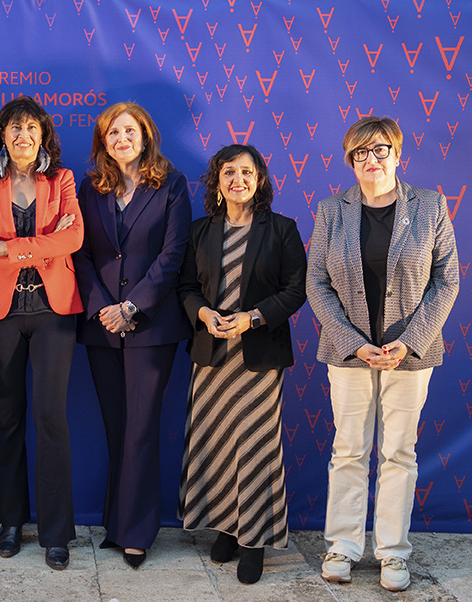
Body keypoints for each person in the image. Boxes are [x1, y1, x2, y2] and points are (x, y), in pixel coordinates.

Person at [307, 116, 458, 592]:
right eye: (360, 153)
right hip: (349, 353)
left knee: (399, 453)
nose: (370, 160)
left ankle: (393, 551)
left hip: (409, 354)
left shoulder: (430, 205)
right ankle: (343, 546)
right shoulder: (332, 210)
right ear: (350, 161)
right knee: (349, 449)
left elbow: (447, 279)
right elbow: (317, 283)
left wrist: (410, 341)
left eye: (379, 150)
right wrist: (354, 342)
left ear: (397, 154)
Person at [177, 144, 307, 584]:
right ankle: (226, 529)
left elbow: (296, 290)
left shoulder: (282, 229)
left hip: (258, 359)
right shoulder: (200, 230)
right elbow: (186, 287)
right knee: (215, 444)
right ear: (217, 181)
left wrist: (252, 318)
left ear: (260, 179)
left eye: (247, 172)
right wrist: (203, 313)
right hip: (212, 355)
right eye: (229, 172)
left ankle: (254, 540)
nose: (239, 180)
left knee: (255, 448)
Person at [73, 102, 191, 569]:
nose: (121, 139)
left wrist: (131, 307)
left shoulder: (172, 184)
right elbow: (81, 253)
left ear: (145, 136)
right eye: (112, 133)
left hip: (150, 326)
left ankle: (138, 532)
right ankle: (117, 523)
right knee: (116, 426)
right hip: (102, 325)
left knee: (141, 429)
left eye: (129, 131)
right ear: (103, 142)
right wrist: (104, 308)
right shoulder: (90, 188)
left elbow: (173, 253)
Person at [0, 96, 83, 571]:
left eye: (31, 128)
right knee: (7, 417)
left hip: (53, 312)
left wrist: (11, 248)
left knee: (51, 417)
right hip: (2, 315)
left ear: (43, 136)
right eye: (14, 128)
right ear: (3, 135)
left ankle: (56, 532)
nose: (23, 136)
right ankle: (11, 521)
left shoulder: (62, 180)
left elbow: (73, 238)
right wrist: (40, 246)